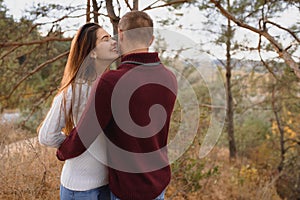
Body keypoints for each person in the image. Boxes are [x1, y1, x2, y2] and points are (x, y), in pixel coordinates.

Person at [56, 11, 178, 200]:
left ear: (120, 34)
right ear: (151, 39)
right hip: (158, 184)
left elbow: (84, 135)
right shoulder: (169, 78)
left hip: (128, 190)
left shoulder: (112, 81)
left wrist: (62, 151)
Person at [38, 22, 119, 200]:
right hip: (81, 189)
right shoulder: (75, 89)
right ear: (93, 52)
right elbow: (46, 136)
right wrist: (75, 144)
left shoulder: (110, 85)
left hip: (107, 186)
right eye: (105, 39)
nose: (113, 42)